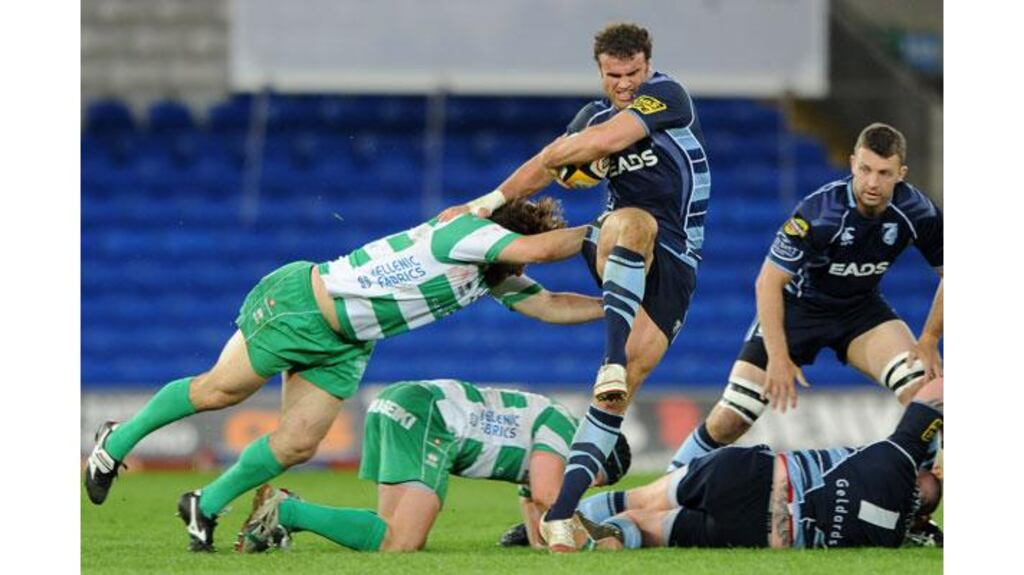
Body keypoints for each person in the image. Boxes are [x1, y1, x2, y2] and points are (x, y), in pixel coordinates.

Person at [84, 197, 606, 552]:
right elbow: (538, 249)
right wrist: (606, 233)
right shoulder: (466, 235)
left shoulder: (488, 277)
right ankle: (115, 442)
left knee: (296, 444)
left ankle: (205, 503)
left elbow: (552, 306)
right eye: (521, 256)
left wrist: (617, 302)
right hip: (304, 307)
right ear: (508, 238)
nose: (526, 270)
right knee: (222, 389)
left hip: (346, 343)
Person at [440, 22, 711, 552]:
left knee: (624, 387)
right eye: (615, 75)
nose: (626, 84)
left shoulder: (668, 96)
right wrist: (486, 204)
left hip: (677, 260)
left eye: (634, 73)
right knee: (627, 220)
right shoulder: (592, 116)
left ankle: (560, 518)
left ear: (648, 65)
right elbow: (549, 163)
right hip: (620, 238)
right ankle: (480, 259)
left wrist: (574, 157)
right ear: (600, 71)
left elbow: (600, 144)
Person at [667, 122, 943, 471]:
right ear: (852, 162)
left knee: (928, 393)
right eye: (865, 169)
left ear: (900, 174)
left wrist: (931, 337)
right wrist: (779, 357)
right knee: (733, 417)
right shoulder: (821, 211)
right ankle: (670, 480)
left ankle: (917, 509)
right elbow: (768, 282)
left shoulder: (917, 211)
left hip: (860, 311)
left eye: (884, 173)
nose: (873, 182)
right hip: (797, 311)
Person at [235, 378, 631, 553]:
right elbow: (549, 498)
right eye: (596, 474)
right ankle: (287, 511)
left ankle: (285, 513)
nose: (587, 483)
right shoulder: (563, 426)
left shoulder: (551, 440)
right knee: (401, 543)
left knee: (390, 536)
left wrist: (567, 534)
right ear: (594, 452)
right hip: (429, 417)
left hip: (400, 402)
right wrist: (598, 540)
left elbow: (539, 532)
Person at [570, 375, 943, 550]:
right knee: (637, 524)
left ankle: (553, 526)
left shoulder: (896, 462)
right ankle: (610, 540)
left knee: (637, 501)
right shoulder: (891, 540)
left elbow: (936, 392)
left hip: (751, 476)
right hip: (757, 534)